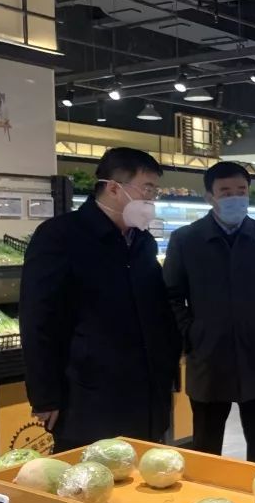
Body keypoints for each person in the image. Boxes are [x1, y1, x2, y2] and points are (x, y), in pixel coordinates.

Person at [21, 147, 179, 450]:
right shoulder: (60, 236)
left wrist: (168, 370)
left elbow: (158, 310)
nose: (152, 199)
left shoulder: (142, 241)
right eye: (147, 189)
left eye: (154, 191)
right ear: (114, 188)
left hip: (145, 395)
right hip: (88, 398)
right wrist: (45, 396)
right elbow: (38, 320)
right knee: (90, 474)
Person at [163, 161, 255, 464]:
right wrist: (192, 333)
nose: (235, 197)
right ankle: (207, 491)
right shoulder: (187, 239)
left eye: (241, 191)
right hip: (208, 358)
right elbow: (171, 296)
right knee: (206, 443)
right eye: (225, 192)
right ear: (209, 196)